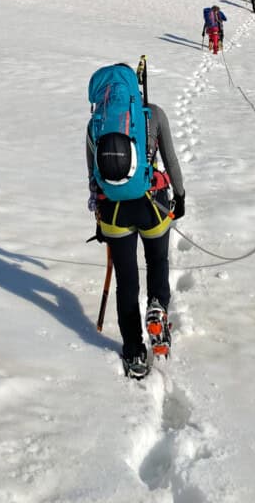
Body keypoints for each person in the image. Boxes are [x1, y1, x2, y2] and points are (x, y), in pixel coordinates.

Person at [87, 71, 185, 379]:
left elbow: (93, 178)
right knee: (157, 261)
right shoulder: (153, 114)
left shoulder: (96, 124)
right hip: (152, 204)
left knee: (126, 281)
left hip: (115, 213)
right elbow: (170, 159)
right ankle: (157, 308)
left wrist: (100, 219)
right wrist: (178, 196)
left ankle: (133, 352)